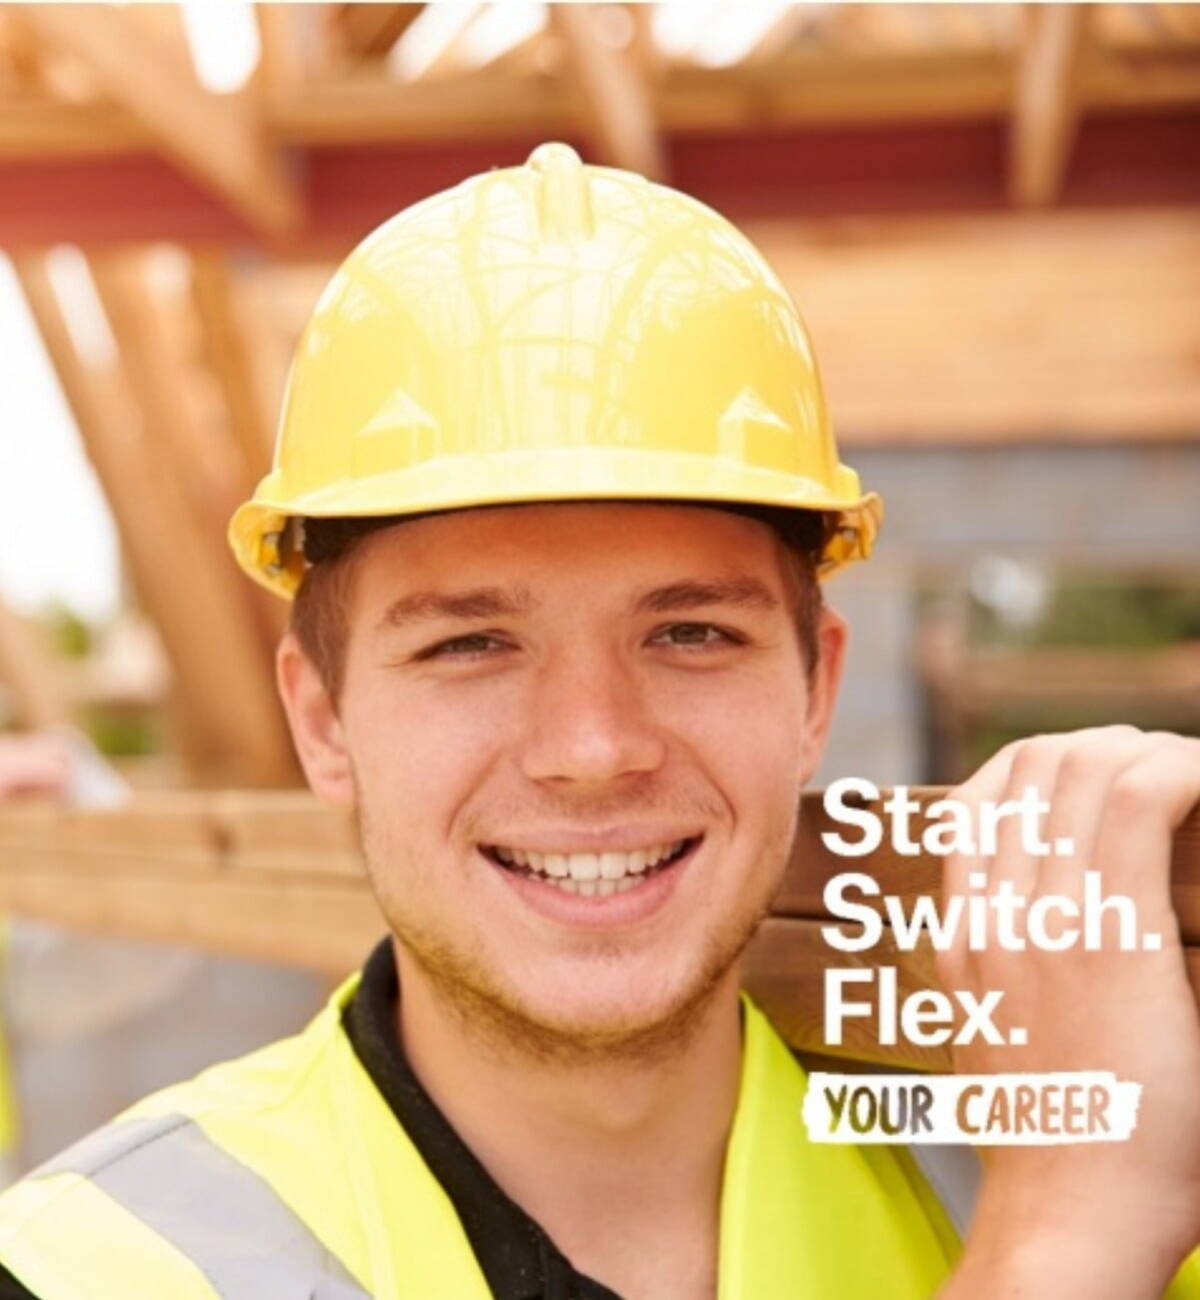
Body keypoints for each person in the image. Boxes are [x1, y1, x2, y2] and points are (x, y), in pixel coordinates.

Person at [0, 142, 1196, 1299]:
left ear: (816, 694)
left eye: (689, 635)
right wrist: (1063, 1244)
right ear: (324, 722)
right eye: (470, 643)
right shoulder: (102, 1268)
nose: (593, 746)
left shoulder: (1069, 1156)